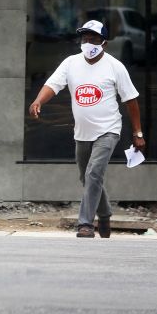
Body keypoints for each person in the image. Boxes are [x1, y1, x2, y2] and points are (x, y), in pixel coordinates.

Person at [28, 19, 145, 238]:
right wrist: (38, 101)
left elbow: (131, 100)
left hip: (108, 130)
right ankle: (105, 214)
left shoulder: (114, 66)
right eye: (85, 39)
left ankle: (85, 224)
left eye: (93, 39)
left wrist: (138, 133)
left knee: (93, 173)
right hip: (82, 132)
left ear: (104, 43)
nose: (88, 43)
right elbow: (53, 85)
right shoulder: (71, 63)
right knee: (87, 176)